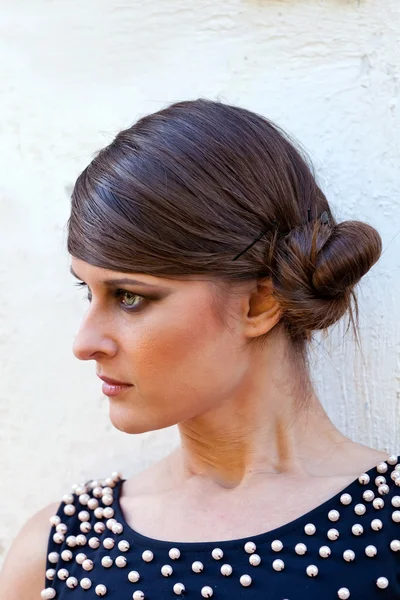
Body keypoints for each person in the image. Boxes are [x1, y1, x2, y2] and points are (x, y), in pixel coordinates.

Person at [1, 98, 399, 600]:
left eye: (129, 297)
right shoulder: (55, 554)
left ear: (259, 302)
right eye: (88, 291)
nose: (84, 344)